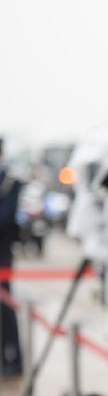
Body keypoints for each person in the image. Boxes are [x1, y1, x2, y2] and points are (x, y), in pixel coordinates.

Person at [0, 138, 21, 378]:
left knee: (6, 310)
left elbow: (6, 220)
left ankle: (12, 359)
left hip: (3, 257)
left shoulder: (10, 182)